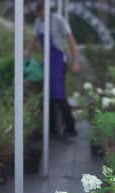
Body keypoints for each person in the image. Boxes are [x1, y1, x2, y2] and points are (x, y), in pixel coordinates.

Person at [24, 1, 80, 137]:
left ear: (46, 11)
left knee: (59, 95)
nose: (41, 17)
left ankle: (70, 128)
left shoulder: (58, 20)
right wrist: (27, 52)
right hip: (46, 61)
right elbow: (36, 38)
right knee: (47, 97)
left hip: (58, 61)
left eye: (42, 14)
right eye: (39, 15)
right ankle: (52, 129)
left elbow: (71, 41)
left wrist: (75, 62)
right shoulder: (38, 22)